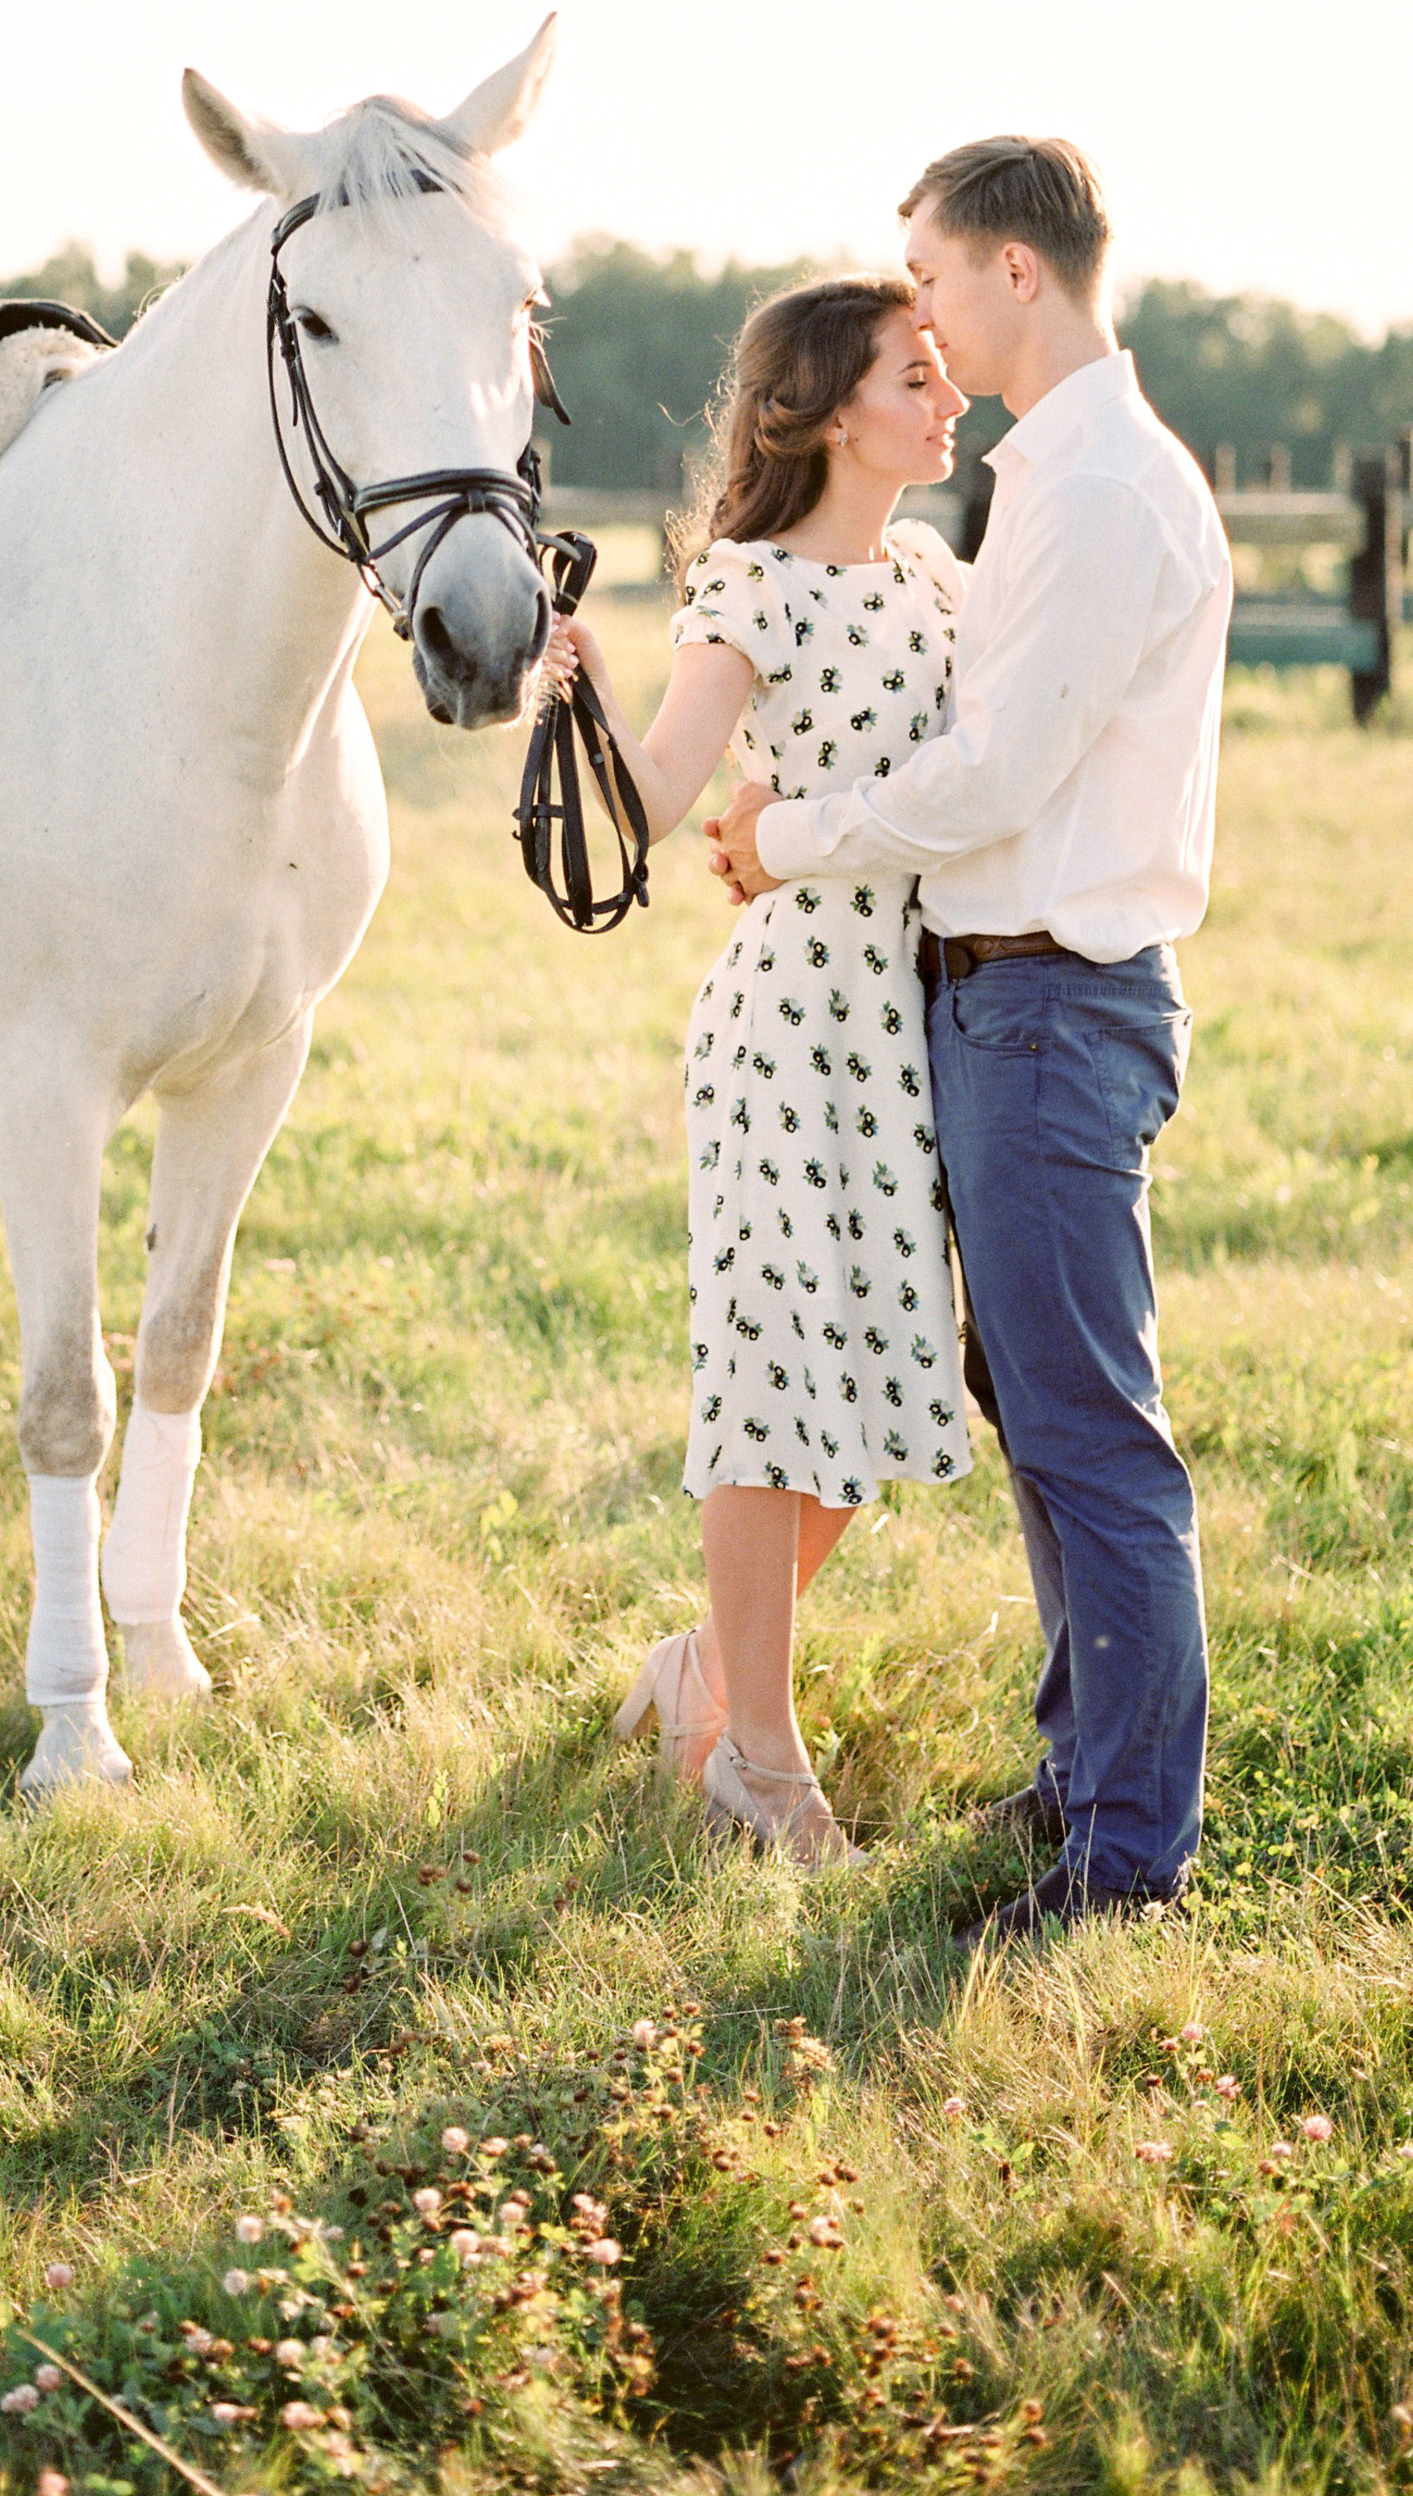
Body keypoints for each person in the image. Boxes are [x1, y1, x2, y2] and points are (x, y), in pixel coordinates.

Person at [709, 138, 1230, 1946]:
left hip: (1053, 1001)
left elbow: (1000, 775)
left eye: (929, 271)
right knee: (1047, 1423)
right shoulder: (1055, 480)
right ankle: (1085, 1779)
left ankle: (1126, 1862)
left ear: (1017, 270)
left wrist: (789, 837)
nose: (914, 303)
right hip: (1000, 998)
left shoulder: (1100, 493)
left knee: (1091, 1434)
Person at [547, 274, 971, 1868]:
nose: (949, 402)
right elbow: (656, 798)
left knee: (879, 1393)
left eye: (942, 374)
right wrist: (578, 689)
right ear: (829, 408)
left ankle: (699, 1673)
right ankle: (764, 1764)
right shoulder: (753, 588)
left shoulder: (938, 575)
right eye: (915, 377)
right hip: (790, 1030)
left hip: (911, 1031)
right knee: (774, 1391)